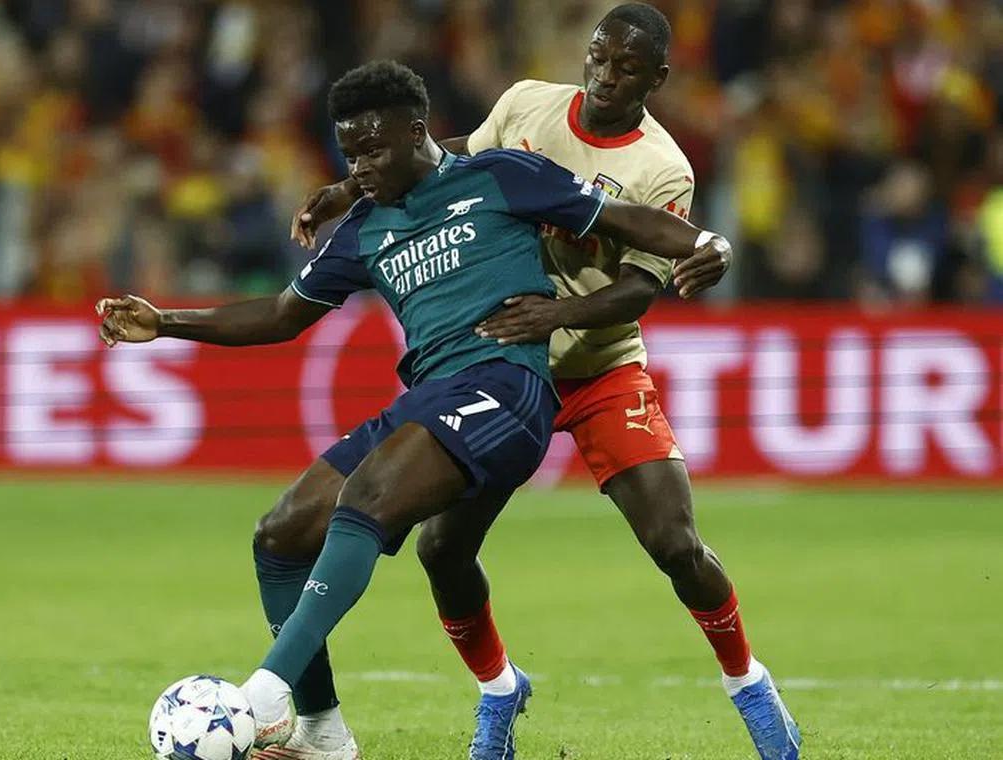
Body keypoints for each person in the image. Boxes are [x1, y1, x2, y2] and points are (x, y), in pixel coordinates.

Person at [96, 59, 727, 756]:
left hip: (506, 388)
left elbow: (625, 219)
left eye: (373, 149)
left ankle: (266, 691)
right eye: (350, 154)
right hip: (430, 396)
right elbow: (281, 315)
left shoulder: (500, 175)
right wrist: (166, 322)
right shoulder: (365, 228)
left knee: (365, 497)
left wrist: (705, 242)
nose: (361, 167)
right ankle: (322, 733)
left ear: (418, 131)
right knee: (280, 534)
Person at [287, 5, 801, 760]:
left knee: (675, 543)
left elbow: (639, 287)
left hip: (598, 368)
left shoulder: (663, 167)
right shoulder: (528, 103)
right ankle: (498, 690)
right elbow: (450, 157)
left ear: (657, 79)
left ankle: (748, 683)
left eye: (627, 68)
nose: (605, 74)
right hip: (499, 373)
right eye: (599, 56)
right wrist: (348, 188)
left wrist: (556, 313)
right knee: (442, 550)